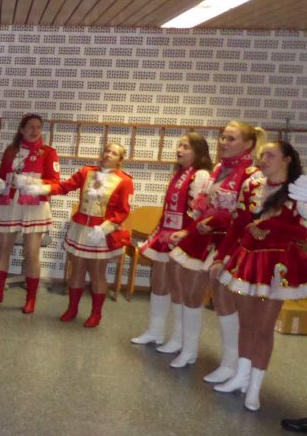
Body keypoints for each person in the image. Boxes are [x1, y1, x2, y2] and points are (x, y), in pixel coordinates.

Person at [211, 141, 306, 411]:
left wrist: (270, 225)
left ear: (287, 159)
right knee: (247, 324)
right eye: (262, 154)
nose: (263, 159)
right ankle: (240, 377)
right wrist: (221, 257)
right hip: (247, 260)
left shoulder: (299, 191)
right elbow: (238, 225)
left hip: (277, 265)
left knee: (264, 328)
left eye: (270, 155)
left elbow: (304, 231)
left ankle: (254, 388)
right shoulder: (252, 186)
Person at [167, 121, 260, 376]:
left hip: (230, 242)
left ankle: (230, 364)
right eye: (222, 138)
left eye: (231, 139)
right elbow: (204, 205)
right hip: (204, 237)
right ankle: (189, 349)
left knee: (223, 301)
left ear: (248, 144)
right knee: (191, 292)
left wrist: (217, 222)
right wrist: (189, 230)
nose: (223, 143)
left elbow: (246, 217)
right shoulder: (218, 169)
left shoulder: (251, 174)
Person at [131, 131, 213, 347]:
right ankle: (155, 331)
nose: (179, 150)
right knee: (158, 282)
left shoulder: (200, 175)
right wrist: (156, 233)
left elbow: (199, 211)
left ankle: (178, 338)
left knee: (179, 288)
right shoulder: (178, 174)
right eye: (179, 145)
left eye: (186, 147)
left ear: (198, 152)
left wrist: (186, 234)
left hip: (184, 238)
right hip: (166, 234)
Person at [51, 142, 134, 328]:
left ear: (120, 160)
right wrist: (40, 188)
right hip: (81, 229)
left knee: (97, 273)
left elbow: (123, 211)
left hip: (101, 232)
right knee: (77, 270)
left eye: (114, 153)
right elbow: (64, 187)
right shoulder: (86, 172)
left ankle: (96, 314)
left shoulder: (125, 181)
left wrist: (104, 229)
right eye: (107, 151)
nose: (108, 154)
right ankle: (72, 308)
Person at [0, 114, 59, 313]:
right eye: (30, 127)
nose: (35, 131)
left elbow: (55, 183)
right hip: (10, 202)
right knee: (3, 249)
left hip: (34, 205)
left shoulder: (49, 153)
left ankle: (31, 299)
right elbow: (3, 176)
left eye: (38, 127)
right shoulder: (11, 150)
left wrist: (31, 182)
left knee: (31, 253)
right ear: (22, 129)